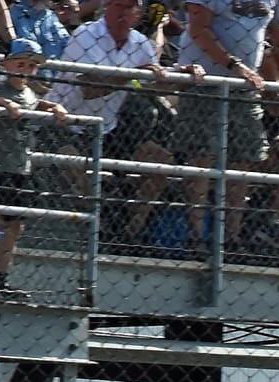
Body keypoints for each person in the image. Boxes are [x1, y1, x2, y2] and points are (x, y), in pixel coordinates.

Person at [52, 0, 192, 248]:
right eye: (118, 6)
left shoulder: (139, 43)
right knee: (72, 162)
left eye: (130, 7)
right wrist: (135, 74)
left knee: (160, 160)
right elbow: (89, 88)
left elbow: (154, 83)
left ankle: (130, 234)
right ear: (106, 7)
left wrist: (184, 75)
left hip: (110, 127)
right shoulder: (86, 34)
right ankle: (100, 229)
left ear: (137, 13)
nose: (123, 13)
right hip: (66, 123)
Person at [174, 0, 279, 254]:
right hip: (205, 81)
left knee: (243, 159)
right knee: (202, 156)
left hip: (245, 88)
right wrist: (234, 64)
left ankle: (230, 240)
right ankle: (196, 237)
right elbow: (198, 29)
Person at [0, 39, 72, 289]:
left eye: (32, 66)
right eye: (21, 64)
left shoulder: (30, 92)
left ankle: (1, 276)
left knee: (15, 226)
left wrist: (55, 106)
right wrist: (2, 104)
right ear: (7, 65)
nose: (26, 70)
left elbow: (35, 103)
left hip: (20, 167)